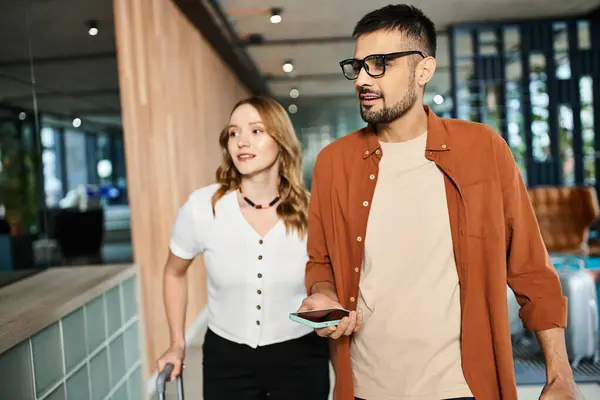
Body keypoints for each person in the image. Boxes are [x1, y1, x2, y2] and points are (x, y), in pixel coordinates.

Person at [298, 4, 581, 400]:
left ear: (423, 70)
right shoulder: (334, 163)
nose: (363, 78)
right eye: (358, 65)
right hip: (366, 386)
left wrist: (560, 375)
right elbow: (320, 261)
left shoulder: (482, 149)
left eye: (379, 64)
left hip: (463, 387)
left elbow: (531, 268)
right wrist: (324, 294)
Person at [157, 96, 330, 399]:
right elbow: (174, 272)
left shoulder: (313, 211)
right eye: (234, 133)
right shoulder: (202, 208)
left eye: (256, 131)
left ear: (281, 141)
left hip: (301, 358)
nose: (241, 142)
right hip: (226, 361)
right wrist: (177, 343)